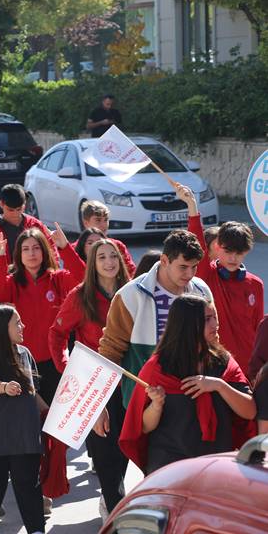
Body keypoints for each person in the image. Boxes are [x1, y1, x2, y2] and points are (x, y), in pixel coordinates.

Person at [119, 294, 255, 475]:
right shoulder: (157, 368)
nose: (215, 324)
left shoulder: (224, 363)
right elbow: (144, 426)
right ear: (187, 324)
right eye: (207, 319)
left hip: (216, 466)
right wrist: (156, 405)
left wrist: (219, 386)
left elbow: (250, 411)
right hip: (169, 468)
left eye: (215, 317)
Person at [48, 238, 130, 518]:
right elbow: (57, 334)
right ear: (92, 264)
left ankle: (111, 498)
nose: (109, 262)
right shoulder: (80, 295)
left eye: (113, 257)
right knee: (104, 451)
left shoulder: (131, 292)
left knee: (125, 448)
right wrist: (67, 367)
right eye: (102, 257)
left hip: (128, 382)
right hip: (94, 384)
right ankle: (116, 507)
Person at [98, 229, 213, 410]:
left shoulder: (202, 290)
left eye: (194, 266)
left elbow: (213, 342)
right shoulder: (130, 295)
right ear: (165, 261)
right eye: (183, 267)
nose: (190, 274)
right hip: (144, 402)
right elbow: (110, 351)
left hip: (192, 398)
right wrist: (98, 406)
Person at [0, 305, 48, 534]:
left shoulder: (25, 353)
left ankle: (36, 529)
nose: (23, 327)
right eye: (18, 323)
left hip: (25, 436)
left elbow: (34, 393)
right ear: (2, 328)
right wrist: (5, 387)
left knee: (29, 486)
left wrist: (50, 413)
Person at [0, 224, 84, 404]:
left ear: (44, 251)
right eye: (25, 249)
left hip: (54, 360)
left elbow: (83, 280)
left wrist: (65, 248)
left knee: (55, 412)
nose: (31, 253)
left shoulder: (57, 279)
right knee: (31, 415)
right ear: (19, 254)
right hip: (22, 360)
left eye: (36, 248)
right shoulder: (12, 282)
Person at [178, 183, 264, 373]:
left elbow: (258, 329)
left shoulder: (256, 284)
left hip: (249, 365)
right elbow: (196, 241)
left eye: (239, 253)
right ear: (217, 247)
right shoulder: (207, 275)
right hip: (215, 363)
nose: (233, 258)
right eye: (228, 251)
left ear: (247, 252)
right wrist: (192, 206)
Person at [0, 184, 58, 264]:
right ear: (1, 204)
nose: (15, 213)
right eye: (10, 210)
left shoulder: (35, 225)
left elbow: (51, 251)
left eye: (19, 209)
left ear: (24, 204)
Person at [74, 201, 136, 273]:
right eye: (98, 220)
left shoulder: (117, 245)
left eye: (106, 220)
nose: (103, 225)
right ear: (86, 223)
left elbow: (131, 272)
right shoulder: (73, 248)